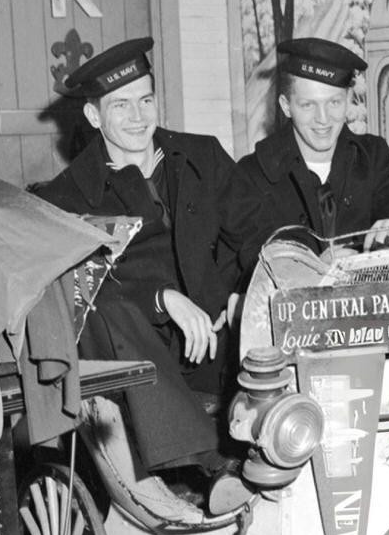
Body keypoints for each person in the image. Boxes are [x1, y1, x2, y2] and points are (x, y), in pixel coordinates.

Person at [33, 38, 248, 502]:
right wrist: (164, 297)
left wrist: (242, 294)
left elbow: (252, 230)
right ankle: (209, 463)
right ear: (94, 117)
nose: (137, 117)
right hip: (142, 355)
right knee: (105, 308)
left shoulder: (201, 157)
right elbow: (89, 283)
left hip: (217, 342)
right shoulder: (66, 196)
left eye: (146, 100)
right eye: (121, 105)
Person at [233, 37, 389, 273]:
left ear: (348, 100)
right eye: (307, 105)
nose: (323, 119)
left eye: (333, 102)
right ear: (285, 106)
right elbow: (248, 264)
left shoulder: (370, 157)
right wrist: (311, 269)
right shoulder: (252, 174)